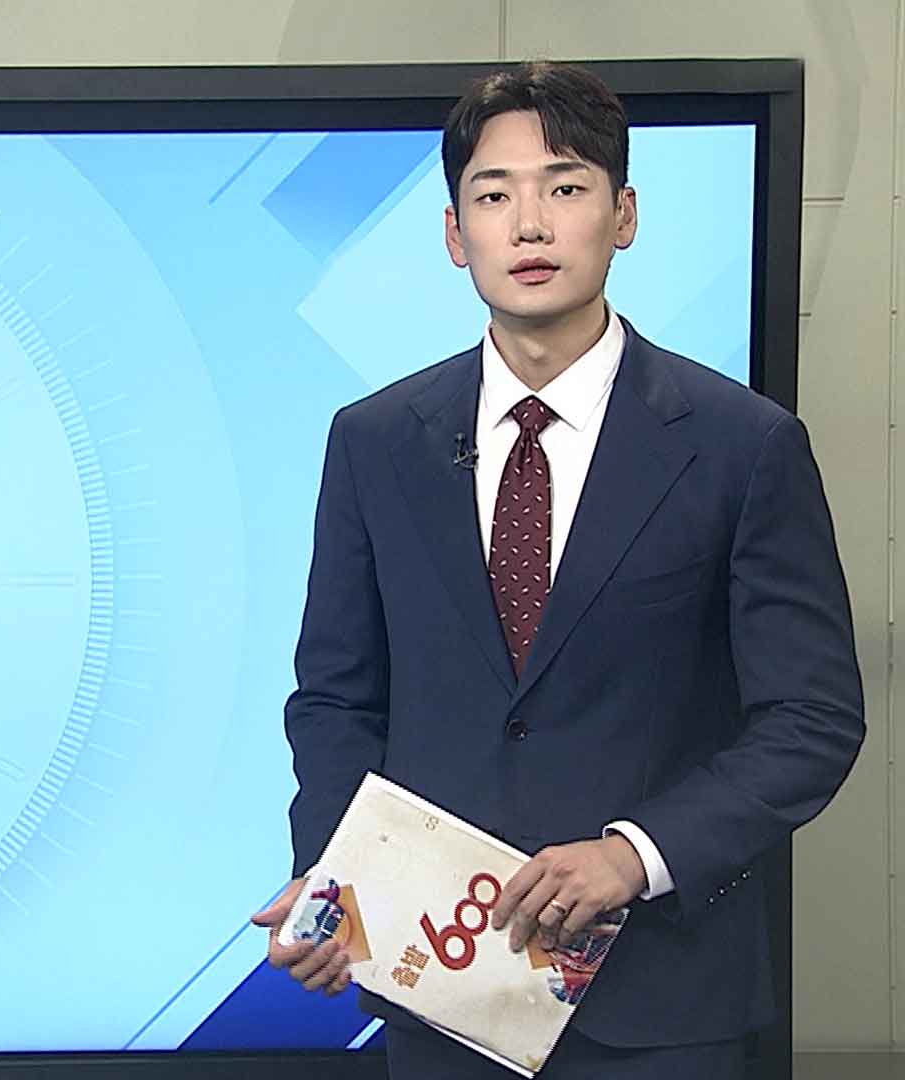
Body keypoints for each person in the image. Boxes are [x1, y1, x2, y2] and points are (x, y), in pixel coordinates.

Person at [249, 60, 865, 1079]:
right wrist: (335, 878)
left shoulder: (742, 444)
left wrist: (635, 854)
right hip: (440, 988)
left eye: (565, 187)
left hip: (664, 1005)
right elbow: (336, 699)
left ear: (623, 216)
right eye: (494, 196)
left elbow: (812, 718)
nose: (529, 225)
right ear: (456, 235)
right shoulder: (376, 441)